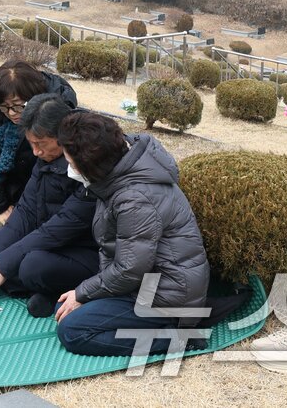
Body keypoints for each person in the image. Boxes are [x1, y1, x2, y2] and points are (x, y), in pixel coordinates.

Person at [52, 113, 211, 357]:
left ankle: (180, 338)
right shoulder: (121, 173)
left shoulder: (135, 199)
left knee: (73, 331)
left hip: (166, 297)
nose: (69, 169)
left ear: (91, 165)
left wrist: (83, 293)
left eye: (72, 164)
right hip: (144, 284)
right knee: (65, 308)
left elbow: (129, 270)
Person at [0, 95, 99, 314]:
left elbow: (59, 229)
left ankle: (53, 290)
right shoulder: (45, 158)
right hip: (47, 240)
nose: (36, 152)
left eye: (41, 145)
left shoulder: (85, 165)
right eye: (31, 144)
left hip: (82, 250)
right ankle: (44, 290)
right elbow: (26, 209)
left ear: (62, 137)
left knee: (31, 265)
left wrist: (3, 264)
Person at [0, 62, 78, 250]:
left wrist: (20, 214)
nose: (11, 114)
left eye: (18, 107)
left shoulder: (57, 111)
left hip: (42, 203)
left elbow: (51, 176)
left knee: (19, 248)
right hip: (8, 191)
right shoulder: (1, 106)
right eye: (5, 107)